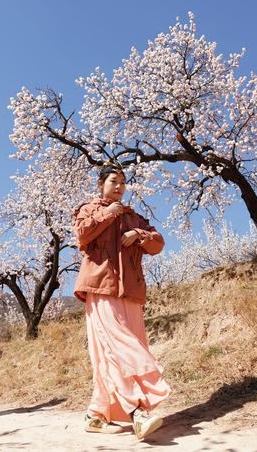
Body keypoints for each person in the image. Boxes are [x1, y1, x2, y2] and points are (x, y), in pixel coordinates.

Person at [73, 164, 171, 440]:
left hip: (131, 291)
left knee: (114, 351)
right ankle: (138, 411)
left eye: (123, 183)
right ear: (101, 184)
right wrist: (107, 214)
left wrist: (138, 235)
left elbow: (158, 244)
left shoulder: (134, 217)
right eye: (113, 181)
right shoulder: (89, 209)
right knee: (120, 348)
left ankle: (96, 414)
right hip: (101, 287)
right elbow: (82, 234)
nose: (119, 187)